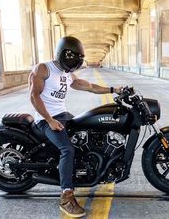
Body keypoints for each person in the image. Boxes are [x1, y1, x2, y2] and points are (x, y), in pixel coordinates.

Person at [29, 36, 121, 218]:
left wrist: (113, 90)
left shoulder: (66, 73)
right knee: (67, 149)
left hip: (62, 115)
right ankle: (66, 196)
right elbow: (34, 96)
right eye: (74, 57)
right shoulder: (43, 69)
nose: (76, 62)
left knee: (87, 133)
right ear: (64, 54)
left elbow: (87, 85)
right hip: (45, 119)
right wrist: (49, 120)